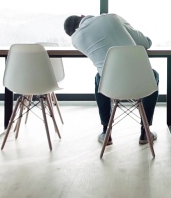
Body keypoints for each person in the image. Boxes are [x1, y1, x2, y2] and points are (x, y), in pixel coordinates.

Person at [64, 13, 159, 145]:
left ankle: (106, 132)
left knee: (99, 78)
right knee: (153, 76)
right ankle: (145, 131)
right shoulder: (110, 17)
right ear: (83, 15)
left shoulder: (76, 40)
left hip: (111, 85)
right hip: (139, 80)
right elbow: (145, 43)